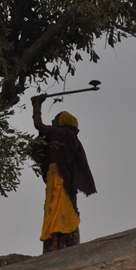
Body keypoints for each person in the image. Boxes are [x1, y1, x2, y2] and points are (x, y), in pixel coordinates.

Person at [31, 94, 97, 253]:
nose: (53, 121)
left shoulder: (64, 134)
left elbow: (39, 125)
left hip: (59, 178)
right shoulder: (68, 136)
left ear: (64, 121)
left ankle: (58, 247)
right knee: (58, 208)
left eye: (56, 118)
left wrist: (37, 105)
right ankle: (64, 246)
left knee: (59, 209)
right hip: (57, 177)